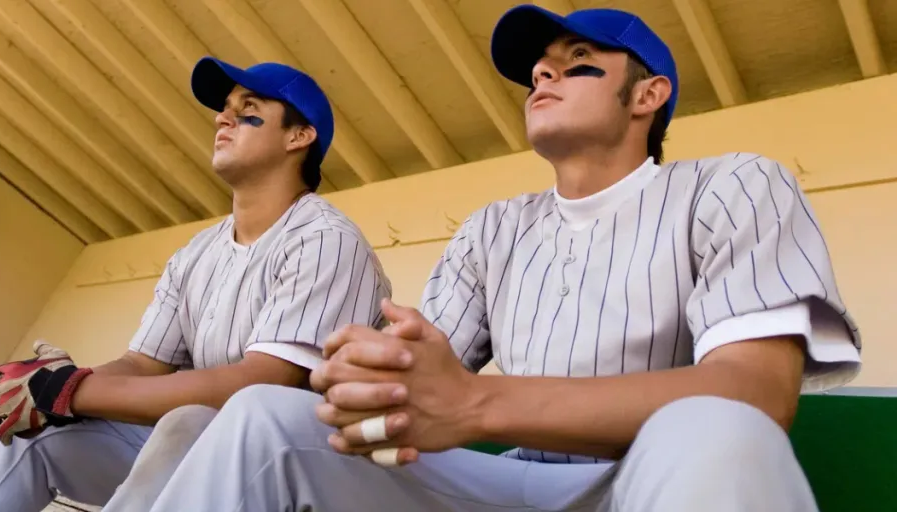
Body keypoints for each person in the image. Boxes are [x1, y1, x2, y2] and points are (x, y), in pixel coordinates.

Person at [138, 5, 862, 512]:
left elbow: (754, 395)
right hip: (503, 486)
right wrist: (373, 379)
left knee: (718, 426)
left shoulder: (732, 183)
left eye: (576, 64)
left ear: (648, 94)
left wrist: (475, 403)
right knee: (266, 413)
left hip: (642, 483)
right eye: (537, 72)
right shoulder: (493, 228)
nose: (542, 78)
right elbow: (422, 384)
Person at [0, 58, 392, 512]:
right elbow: (141, 363)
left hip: (314, 474)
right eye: (224, 108)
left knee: (189, 422)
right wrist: (53, 386)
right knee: (32, 431)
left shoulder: (325, 238)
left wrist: (75, 391)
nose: (222, 118)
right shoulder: (196, 252)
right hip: (209, 464)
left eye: (247, 108)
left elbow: (263, 383)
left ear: (299, 136)